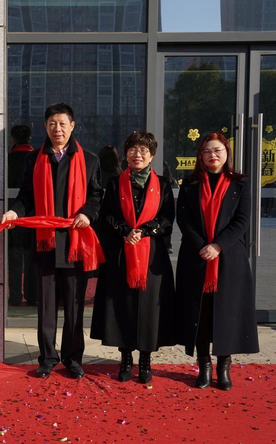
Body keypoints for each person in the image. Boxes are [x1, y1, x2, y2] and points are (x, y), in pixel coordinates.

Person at [1, 103, 102, 379]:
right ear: (45, 127)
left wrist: (87, 214)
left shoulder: (89, 159)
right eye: (52, 124)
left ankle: (73, 358)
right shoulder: (35, 159)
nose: (57, 129)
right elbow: (26, 195)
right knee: (45, 306)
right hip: (45, 243)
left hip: (74, 242)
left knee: (74, 307)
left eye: (62, 123)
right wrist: (15, 211)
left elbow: (96, 196)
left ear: (72, 126)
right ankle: (47, 357)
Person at [175, 132, 259, 390]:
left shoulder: (240, 183)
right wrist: (202, 246)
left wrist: (218, 245)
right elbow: (184, 219)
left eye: (217, 150)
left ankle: (224, 366)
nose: (213, 155)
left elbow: (242, 221)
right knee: (200, 313)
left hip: (228, 258)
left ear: (226, 154)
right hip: (196, 257)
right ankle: (204, 365)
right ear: (200, 156)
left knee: (226, 313)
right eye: (207, 151)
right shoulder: (190, 184)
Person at [90, 131, 175, 383]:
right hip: (122, 252)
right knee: (123, 306)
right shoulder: (115, 183)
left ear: (152, 155)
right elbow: (107, 216)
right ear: (125, 154)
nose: (137, 155)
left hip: (152, 256)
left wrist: (146, 231)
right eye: (132, 150)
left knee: (149, 309)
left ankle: (145, 360)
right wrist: (125, 231)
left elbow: (168, 218)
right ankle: (126, 358)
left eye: (143, 151)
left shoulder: (163, 184)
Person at [7, 125, 37, 306]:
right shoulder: (37, 159)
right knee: (32, 256)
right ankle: (33, 295)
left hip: (14, 215)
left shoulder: (8, 160)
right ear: (29, 138)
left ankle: (15, 296)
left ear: (13, 139)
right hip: (34, 215)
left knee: (15, 256)